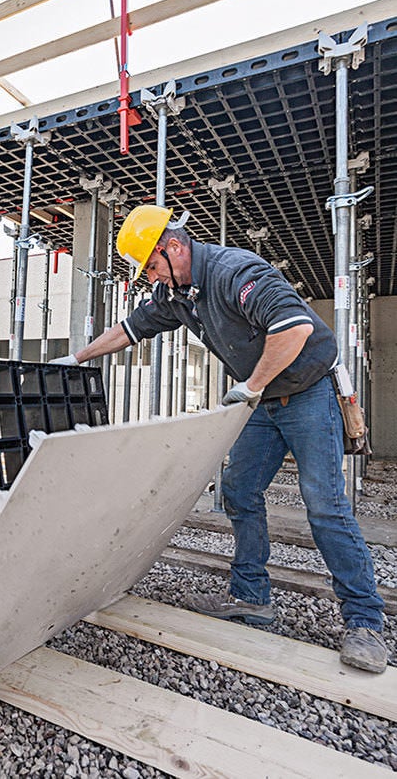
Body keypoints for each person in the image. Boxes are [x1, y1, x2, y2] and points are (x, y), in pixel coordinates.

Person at [52, 204, 387, 673]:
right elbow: (131, 330)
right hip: (264, 402)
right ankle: (251, 597)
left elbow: (295, 330)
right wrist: (76, 358)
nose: (153, 278)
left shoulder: (236, 272)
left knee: (325, 505)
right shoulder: (179, 292)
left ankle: (365, 622)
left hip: (309, 393)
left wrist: (249, 387)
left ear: (172, 247)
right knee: (239, 490)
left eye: (151, 266)